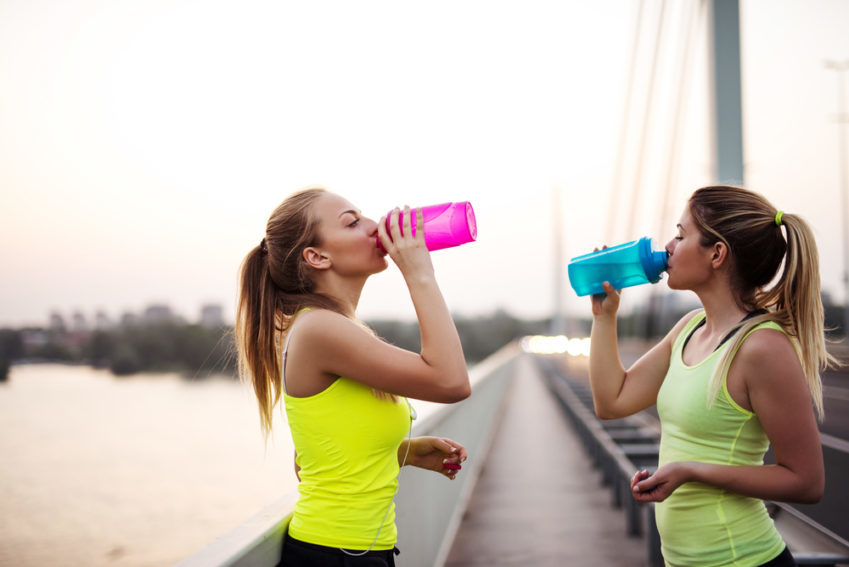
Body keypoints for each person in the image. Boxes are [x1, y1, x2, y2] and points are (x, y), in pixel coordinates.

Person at [587, 185, 835, 567]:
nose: (668, 246)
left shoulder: (761, 347)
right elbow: (612, 402)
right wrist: (605, 318)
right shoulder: (689, 328)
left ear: (717, 254)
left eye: (681, 235)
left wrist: (690, 470)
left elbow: (806, 481)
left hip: (742, 559)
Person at [235, 187, 471, 566]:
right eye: (352, 221)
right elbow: (451, 381)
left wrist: (404, 453)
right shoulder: (320, 330)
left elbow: (309, 460)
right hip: (336, 555)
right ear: (317, 256)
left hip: (351, 551)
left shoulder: (332, 328)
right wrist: (419, 273)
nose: (374, 225)